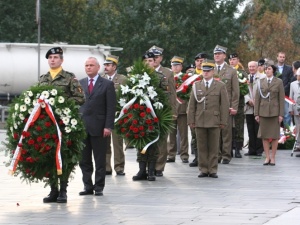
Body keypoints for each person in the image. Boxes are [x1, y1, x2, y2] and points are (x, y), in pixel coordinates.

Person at [39, 47, 85, 203]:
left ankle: (63, 191)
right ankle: (53, 190)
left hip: (64, 123)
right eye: (50, 57)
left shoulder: (70, 78)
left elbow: (80, 98)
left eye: (56, 57)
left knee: (63, 155)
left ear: (61, 60)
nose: (52, 59)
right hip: (47, 124)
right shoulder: (43, 78)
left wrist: (61, 103)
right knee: (50, 156)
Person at [78, 57, 116, 196]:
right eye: (86, 65)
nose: (89, 67)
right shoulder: (80, 83)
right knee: (84, 159)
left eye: (91, 65)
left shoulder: (106, 84)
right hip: (82, 128)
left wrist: (108, 126)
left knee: (100, 159)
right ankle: (87, 186)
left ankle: (99, 186)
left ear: (98, 67)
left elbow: (111, 107)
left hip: (100, 127)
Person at [132, 52, 172, 181]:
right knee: (141, 142)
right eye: (146, 61)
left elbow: (166, 95)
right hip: (140, 115)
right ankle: (141, 170)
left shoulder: (160, 77)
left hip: (154, 114)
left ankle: (151, 171)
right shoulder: (136, 77)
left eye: (150, 61)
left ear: (155, 62)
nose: (148, 63)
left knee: (153, 143)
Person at [187, 59, 229, 178]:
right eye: (204, 71)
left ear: (213, 71)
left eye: (208, 71)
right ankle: (203, 169)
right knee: (201, 146)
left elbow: (224, 105)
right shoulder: (196, 85)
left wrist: (223, 121)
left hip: (214, 120)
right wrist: (191, 120)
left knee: (214, 146)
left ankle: (213, 169)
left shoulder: (220, 85)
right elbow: (192, 105)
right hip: (200, 120)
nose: (205, 73)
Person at [147, 45, 177, 176]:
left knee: (162, 139)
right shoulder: (144, 71)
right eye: (152, 57)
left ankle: (159, 166)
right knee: (149, 138)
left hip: (163, 110)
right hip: (147, 110)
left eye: (157, 57)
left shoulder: (167, 72)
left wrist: (173, 111)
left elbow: (172, 93)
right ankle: (149, 165)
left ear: (161, 58)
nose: (154, 59)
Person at [213, 45, 239, 164]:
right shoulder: (210, 69)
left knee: (226, 132)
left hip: (226, 105)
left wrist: (234, 106)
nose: (217, 56)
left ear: (224, 55)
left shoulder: (231, 70)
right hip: (212, 106)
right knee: (215, 131)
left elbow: (235, 91)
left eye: (219, 54)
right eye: (215, 54)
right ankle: (216, 155)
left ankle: (226, 155)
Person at [255, 64, 285, 166]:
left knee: (275, 136)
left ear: (273, 71)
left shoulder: (278, 82)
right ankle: (267, 157)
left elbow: (281, 98)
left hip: (274, 112)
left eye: (269, 69)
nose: (267, 71)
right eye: (266, 69)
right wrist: (256, 113)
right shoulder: (260, 82)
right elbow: (257, 98)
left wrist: (281, 114)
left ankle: (273, 157)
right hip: (263, 112)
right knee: (265, 136)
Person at [102, 55, 127, 176]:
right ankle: (106, 167)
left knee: (118, 142)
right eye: (105, 65)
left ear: (114, 66)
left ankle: (119, 167)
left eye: (108, 65)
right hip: (104, 116)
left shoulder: (122, 79)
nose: (105, 67)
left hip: (117, 115)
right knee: (105, 143)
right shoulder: (100, 78)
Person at [167, 56, 189, 163]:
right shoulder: (167, 77)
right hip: (171, 110)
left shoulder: (186, 78)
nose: (175, 67)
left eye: (177, 65)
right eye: (173, 65)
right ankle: (171, 154)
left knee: (183, 134)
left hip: (182, 109)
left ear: (181, 66)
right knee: (171, 134)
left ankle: (184, 155)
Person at [189, 52, 208, 167]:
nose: (200, 63)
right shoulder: (190, 76)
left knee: (208, 135)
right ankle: (197, 157)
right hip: (194, 110)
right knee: (195, 135)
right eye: (198, 61)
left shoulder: (210, 74)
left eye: (202, 61)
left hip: (207, 110)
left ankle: (208, 158)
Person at [244, 61, 265, 156]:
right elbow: (243, 91)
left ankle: (259, 149)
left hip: (259, 107)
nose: (251, 68)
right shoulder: (245, 78)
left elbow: (264, 91)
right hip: (249, 107)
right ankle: (251, 149)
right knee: (250, 128)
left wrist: (257, 101)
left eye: (253, 66)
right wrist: (248, 100)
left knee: (258, 128)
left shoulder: (262, 77)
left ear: (257, 67)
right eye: (250, 67)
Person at [229, 53, 248, 158]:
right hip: (227, 102)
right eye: (231, 60)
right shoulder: (226, 71)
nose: (232, 61)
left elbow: (245, 88)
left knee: (238, 125)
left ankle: (237, 148)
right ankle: (229, 147)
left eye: (234, 59)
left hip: (239, 103)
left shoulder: (242, 73)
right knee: (228, 126)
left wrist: (236, 92)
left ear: (238, 60)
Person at [276, 52, 294, 128]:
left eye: (283, 57)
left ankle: (287, 135)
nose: (282, 58)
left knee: (286, 115)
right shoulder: (273, 68)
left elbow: (291, 81)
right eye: (280, 57)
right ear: (277, 57)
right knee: (276, 115)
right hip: (275, 95)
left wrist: (283, 89)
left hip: (286, 95)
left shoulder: (289, 68)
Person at [289, 67, 300, 156]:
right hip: (296, 108)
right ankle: (298, 145)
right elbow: (291, 97)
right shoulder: (293, 84)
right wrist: (290, 109)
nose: (298, 77)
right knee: (298, 127)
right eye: (297, 76)